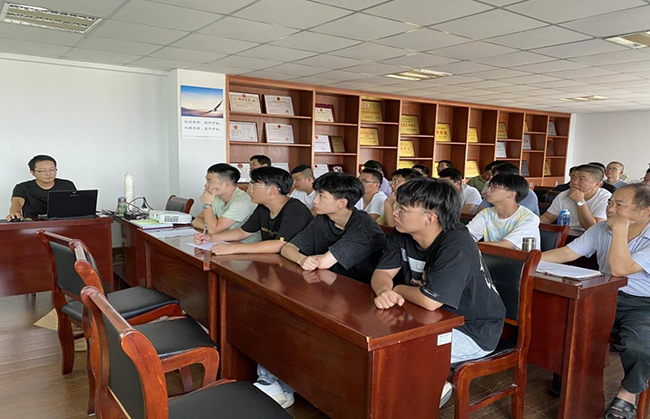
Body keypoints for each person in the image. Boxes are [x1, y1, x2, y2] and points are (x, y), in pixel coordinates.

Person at [371, 178, 506, 406]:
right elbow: (382, 273)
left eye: (402, 209)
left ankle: (432, 388)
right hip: (428, 320)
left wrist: (397, 288)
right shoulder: (403, 233)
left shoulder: (456, 244)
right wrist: (384, 290)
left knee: (395, 354)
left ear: (430, 218)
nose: (395, 213)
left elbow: (429, 301)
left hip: (473, 330)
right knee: (376, 341)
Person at [541, 184, 650, 419]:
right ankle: (572, 377)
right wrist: (530, 261)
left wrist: (619, 229)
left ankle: (628, 393)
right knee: (562, 326)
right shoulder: (601, 228)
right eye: (610, 202)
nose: (610, 209)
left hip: (642, 305)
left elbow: (620, 269)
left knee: (639, 346)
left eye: (619, 204)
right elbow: (568, 253)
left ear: (646, 211)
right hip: (601, 296)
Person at [281, 172, 387, 283]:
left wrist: (304, 259)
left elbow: (323, 263)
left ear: (342, 203)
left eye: (321, 196)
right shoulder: (323, 218)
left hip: (359, 286)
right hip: (327, 280)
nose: (315, 201)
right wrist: (301, 259)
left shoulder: (363, 227)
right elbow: (287, 248)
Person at [194, 166, 312, 255]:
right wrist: (210, 238)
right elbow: (242, 232)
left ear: (272, 190)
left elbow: (279, 244)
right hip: (272, 258)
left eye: (255, 186)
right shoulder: (263, 207)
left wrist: (235, 248)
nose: (250, 190)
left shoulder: (295, 211)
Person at [467, 173, 540, 250]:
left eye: (493, 188)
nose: (487, 191)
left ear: (511, 194)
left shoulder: (529, 218)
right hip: (492, 256)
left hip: (517, 257)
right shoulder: (486, 214)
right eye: (489, 187)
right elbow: (467, 235)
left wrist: (470, 245)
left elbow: (506, 245)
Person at [191, 164, 259, 243]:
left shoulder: (242, 202)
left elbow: (213, 230)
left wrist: (207, 204)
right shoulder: (216, 197)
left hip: (244, 246)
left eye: (209, 181)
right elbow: (196, 221)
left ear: (226, 184)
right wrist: (214, 228)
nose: (206, 185)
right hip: (223, 242)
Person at [540, 164, 611, 231]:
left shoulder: (606, 198)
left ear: (597, 184)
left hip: (590, 237)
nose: (574, 182)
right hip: (567, 234)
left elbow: (593, 227)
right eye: (573, 178)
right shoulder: (563, 195)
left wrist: (580, 202)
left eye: (581, 179)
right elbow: (547, 218)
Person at [7, 155, 76, 220]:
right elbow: (17, 202)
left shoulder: (67, 185)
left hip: (62, 223)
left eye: (52, 170)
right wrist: (14, 212)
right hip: (33, 224)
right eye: (43, 171)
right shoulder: (22, 187)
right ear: (32, 172)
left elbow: (75, 205)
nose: (48, 174)